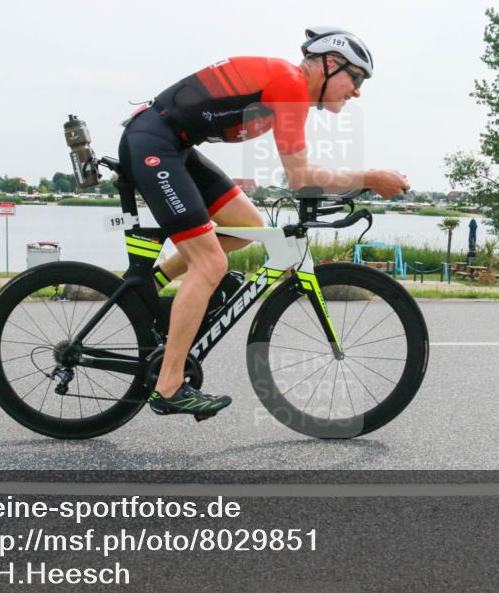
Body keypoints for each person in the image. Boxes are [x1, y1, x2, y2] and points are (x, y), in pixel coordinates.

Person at [117, 26, 410, 418]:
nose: (356, 90)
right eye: (355, 77)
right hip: (155, 143)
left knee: (247, 226)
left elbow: (300, 176)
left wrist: (358, 184)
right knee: (211, 264)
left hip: (173, 144)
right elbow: (301, 178)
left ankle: (154, 287)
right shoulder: (289, 84)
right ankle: (168, 387)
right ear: (328, 64)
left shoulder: (289, 89)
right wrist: (370, 178)